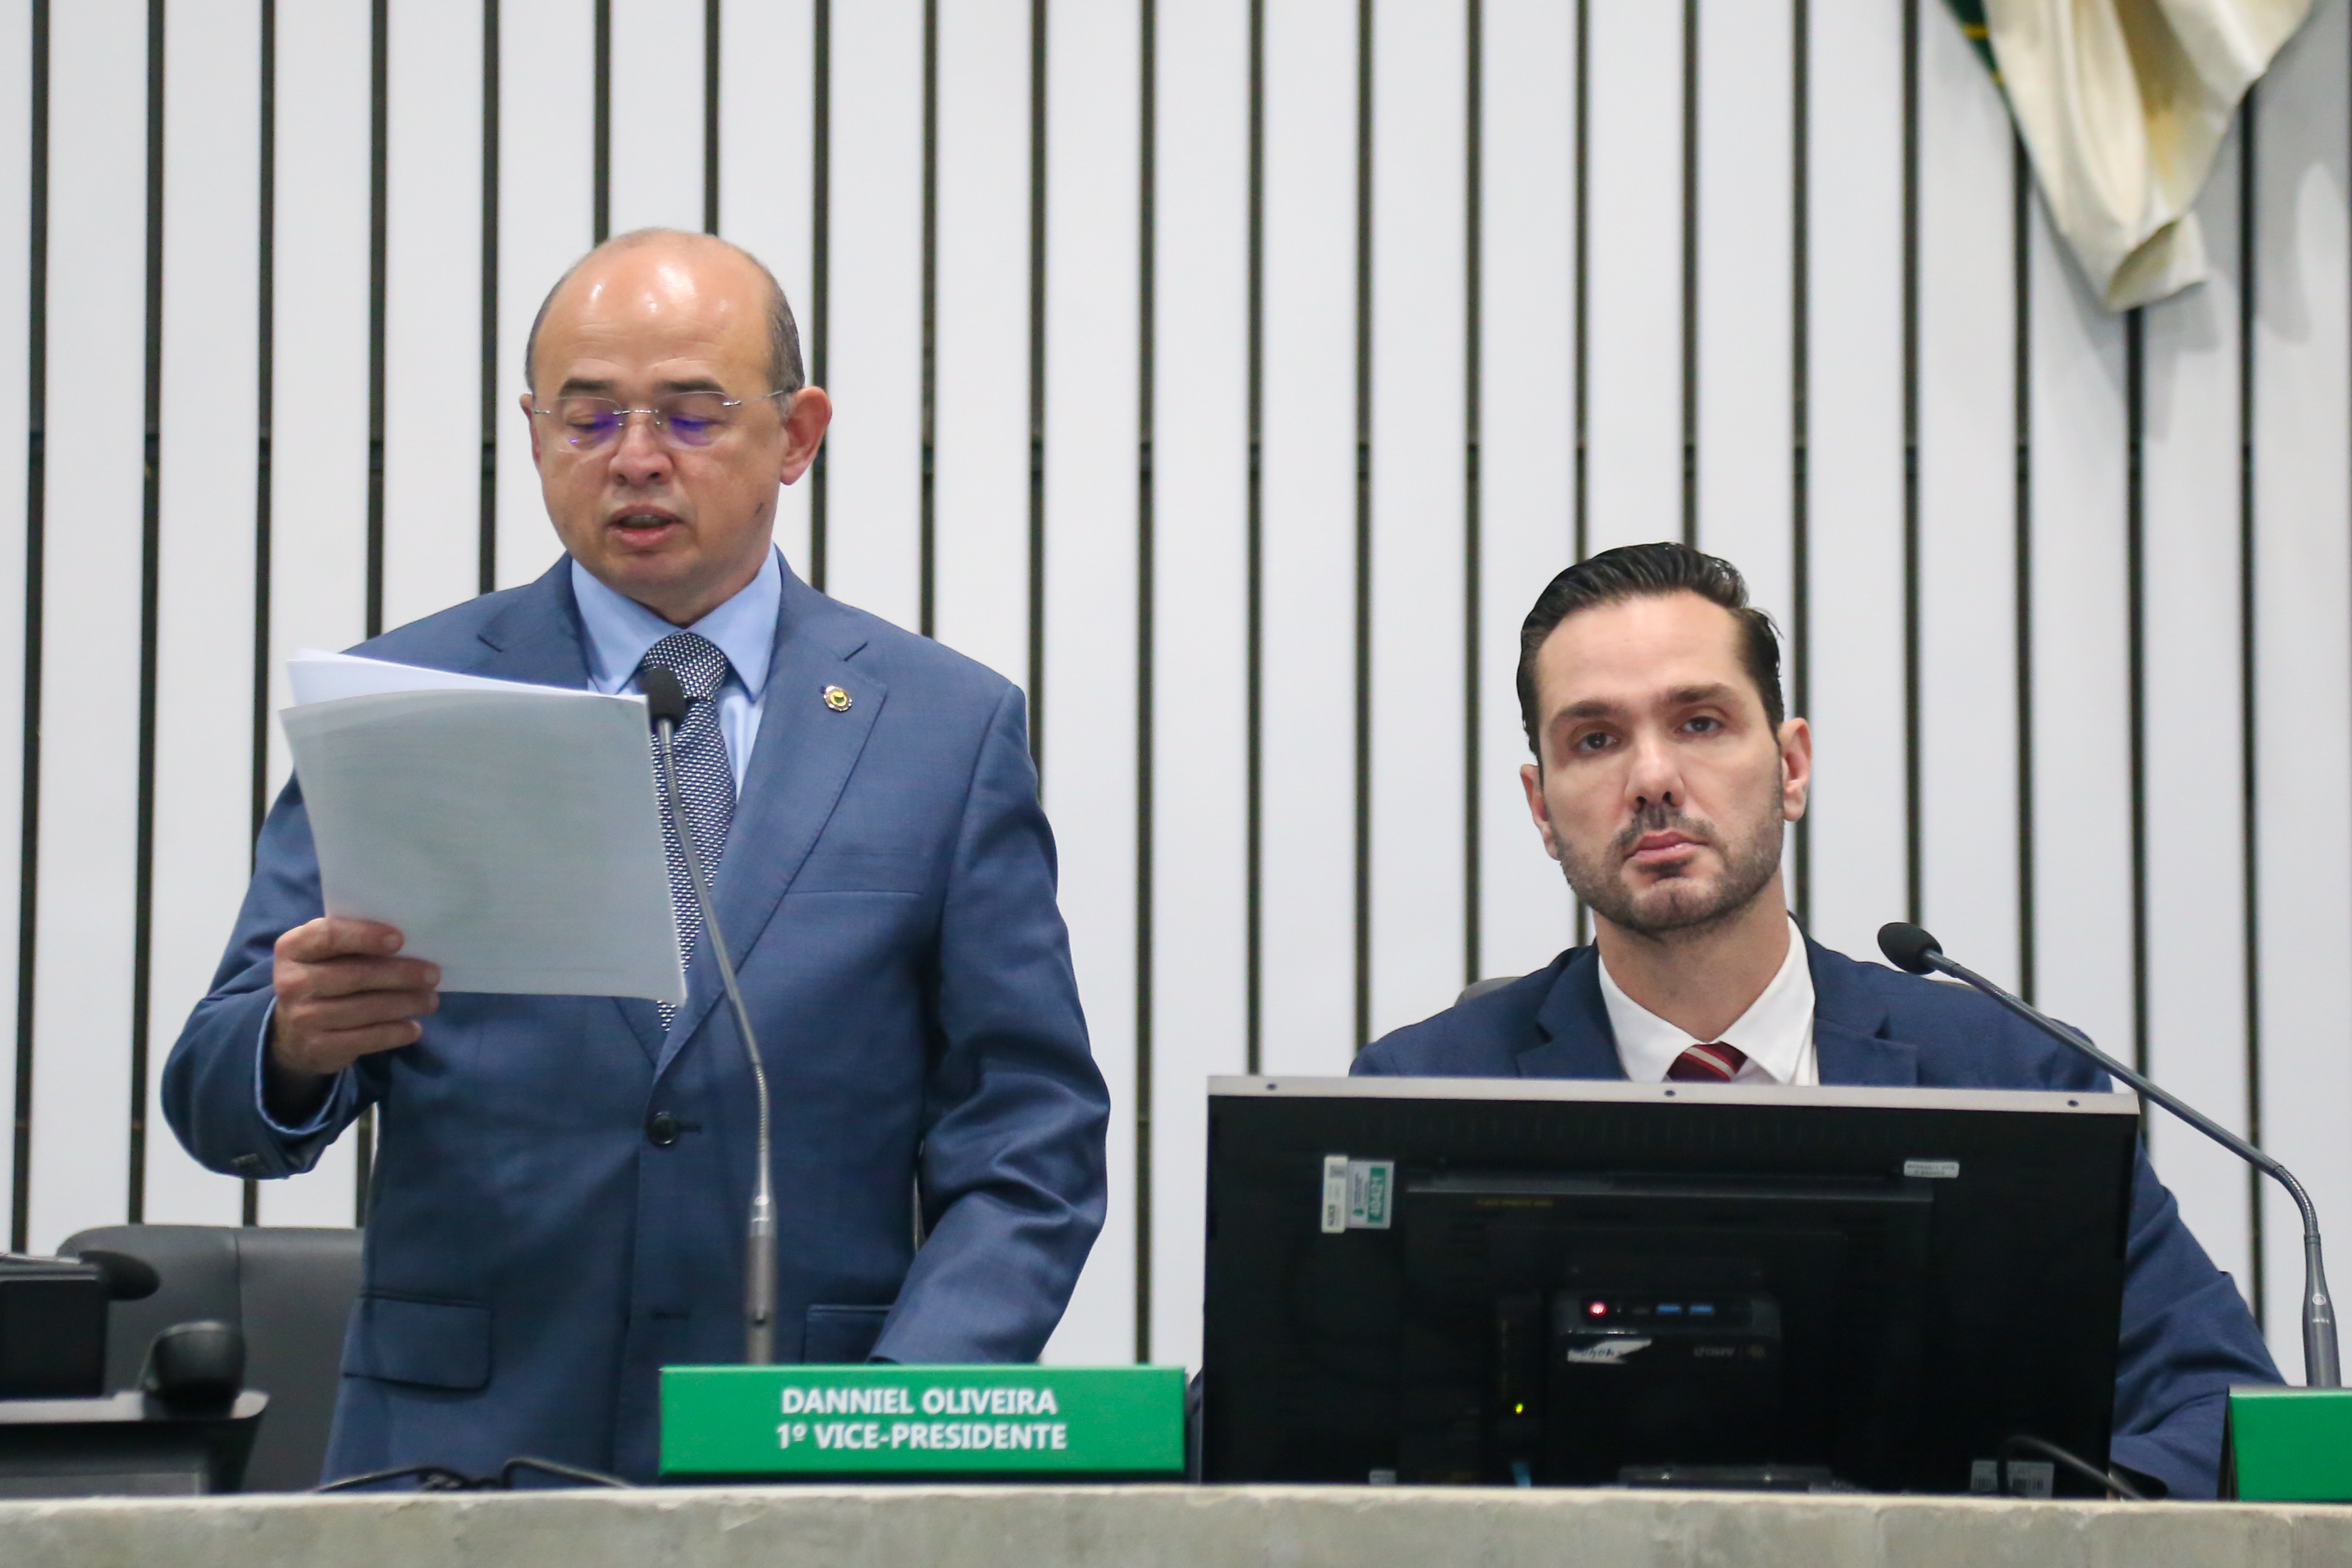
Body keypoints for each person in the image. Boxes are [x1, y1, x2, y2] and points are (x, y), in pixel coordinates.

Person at [163, 229, 1109, 1484]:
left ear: (799, 433)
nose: (637, 460)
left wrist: (907, 1408)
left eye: (692, 414)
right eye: (589, 418)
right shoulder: (405, 698)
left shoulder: (942, 727)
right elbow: (218, 1094)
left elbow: (1028, 1134)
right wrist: (290, 1044)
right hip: (456, 1455)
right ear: (533, 431)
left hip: (805, 1449)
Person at [1352, 542, 2279, 1499]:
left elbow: (2215, 1403)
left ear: (1790, 766)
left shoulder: (2013, 1074)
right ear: (1543, 808)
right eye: (1595, 740)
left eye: (1701, 721)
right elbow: (1257, 1426)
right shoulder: (1420, 1090)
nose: (1654, 777)